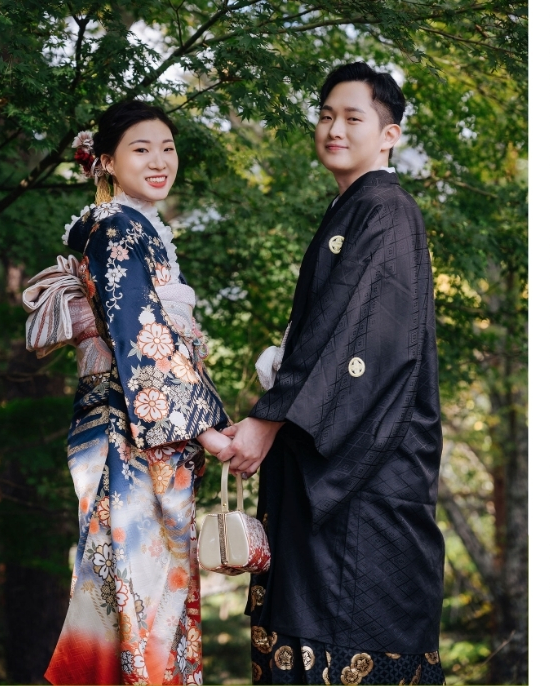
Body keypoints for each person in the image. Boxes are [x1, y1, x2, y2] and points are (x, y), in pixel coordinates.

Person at [220, 62, 446, 685]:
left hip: (362, 464)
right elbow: (328, 330)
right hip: (327, 453)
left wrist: (270, 417)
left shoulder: (386, 209)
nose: (334, 129)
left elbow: (359, 337)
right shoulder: (355, 207)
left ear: (389, 134)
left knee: (352, 616)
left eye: (352, 117)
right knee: (308, 614)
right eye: (325, 116)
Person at [25, 101, 233, 685]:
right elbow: (140, 334)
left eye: (167, 147)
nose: (160, 160)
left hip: (137, 423)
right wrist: (211, 433)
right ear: (109, 162)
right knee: (138, 588)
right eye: (141, 149)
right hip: (128, 424)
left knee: (134, 587)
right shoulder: (115, 228)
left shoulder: (134, 228)